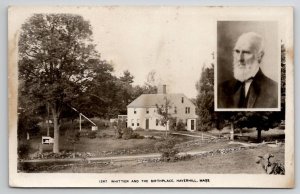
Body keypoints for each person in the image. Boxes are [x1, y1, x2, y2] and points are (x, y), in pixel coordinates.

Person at [218, 32, 278, 108]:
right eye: (237, 51)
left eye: (246, 52)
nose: (239, 59)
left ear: (260, 56)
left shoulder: (275, 90)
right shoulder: (221, 89)